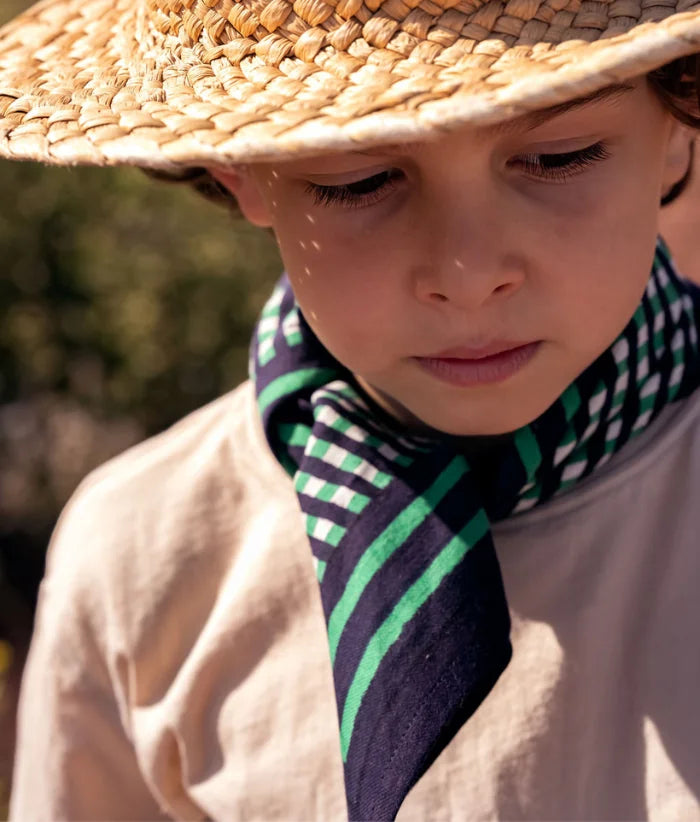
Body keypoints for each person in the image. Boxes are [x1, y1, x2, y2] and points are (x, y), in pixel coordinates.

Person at [2, 0, 700, 818]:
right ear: (239, 164)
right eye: (359, 180)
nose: (467, 273)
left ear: (682, 122)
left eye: (559, 156)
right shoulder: (144, 559)